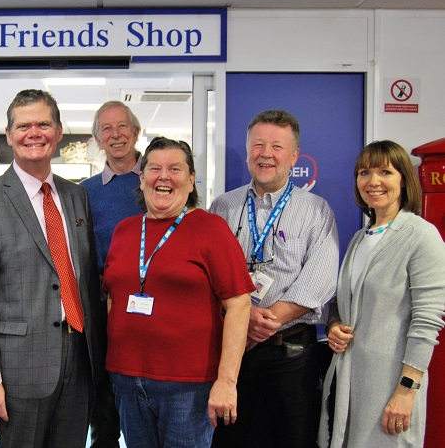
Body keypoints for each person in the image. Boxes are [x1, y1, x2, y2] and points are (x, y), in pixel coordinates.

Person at [0, 89, 106, 447]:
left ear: (58, 132)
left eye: (43, 124)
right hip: (19, 367)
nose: (34, 133)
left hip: (80, 358)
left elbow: (83, 276)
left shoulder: (76, 197)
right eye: (23, 126)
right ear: (9, 136)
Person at [102, 137, 253, 447]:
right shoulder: (125, 230)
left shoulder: (210, 229)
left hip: (188, 388)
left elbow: (239, 304)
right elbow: (112, 297)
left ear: (191, 179)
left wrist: (227, 382)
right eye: (154, 168)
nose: (164, 177)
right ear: (142, 178)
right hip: (127, 381)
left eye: (175, 169)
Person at [209, 110, 339, 448]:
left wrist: (258, 323)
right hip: (232, 355)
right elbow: (209, 275)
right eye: (258, 145)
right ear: (248, 149)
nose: (266, 154)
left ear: (294, 155)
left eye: (277, 147)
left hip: (291, 356)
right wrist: (242, 319)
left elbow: (319, 280)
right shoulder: (223, 206)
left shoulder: (316, 209)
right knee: (230, 440)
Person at [318, 140, 445, 448]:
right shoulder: (360, 238)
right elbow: (340, 302)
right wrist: (334, 325)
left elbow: (427, 321)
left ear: (404, 179)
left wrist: (406, 390)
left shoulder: (421, 235)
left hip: (389, 386)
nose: (373, 181)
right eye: (364, 172)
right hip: (348, 383)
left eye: (385, 172)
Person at [79, 100, 144, 447]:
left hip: (150, 304)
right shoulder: (84, 193)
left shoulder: (157, 180)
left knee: (141, 392)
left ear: (136, 132)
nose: (116, 135)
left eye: (123, 127)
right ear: (97, 140)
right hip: (103, 306)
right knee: (102, 399)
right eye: (107, 129)